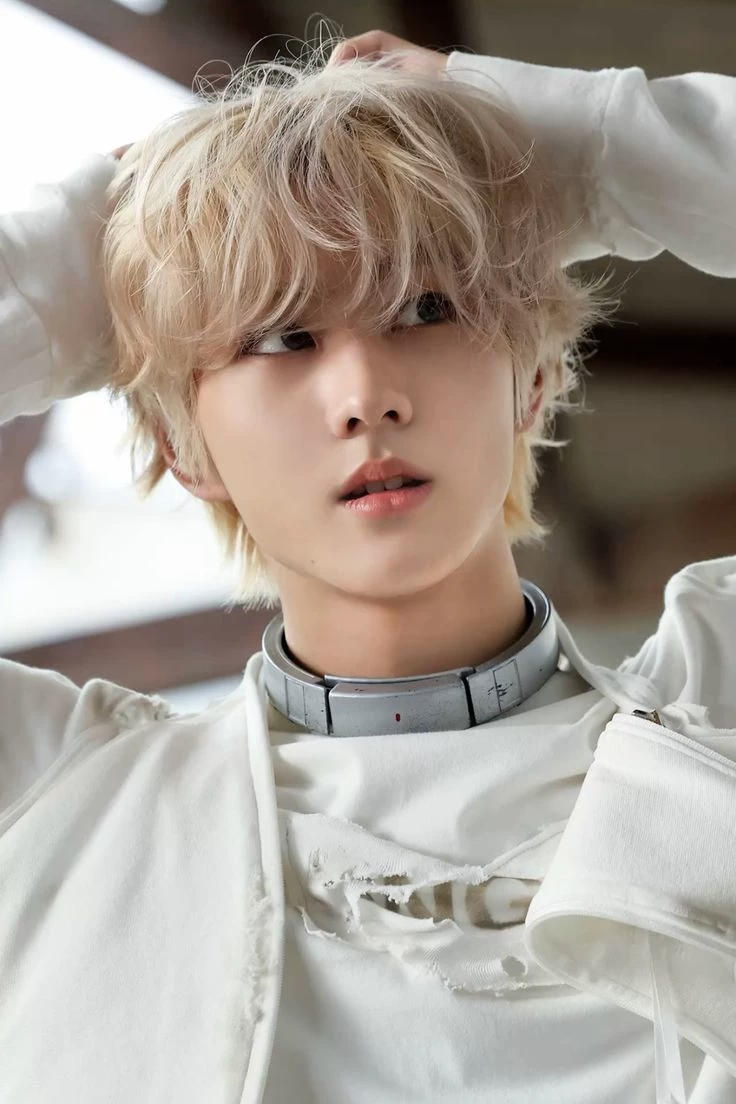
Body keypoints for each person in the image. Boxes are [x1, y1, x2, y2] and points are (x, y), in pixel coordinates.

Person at [0, 29, 734, 1104]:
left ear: (531, 376)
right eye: (280, 337)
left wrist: (588, 155)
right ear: (181, 447)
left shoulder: (720, 706)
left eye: (426, 308)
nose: (366, 398)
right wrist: (88, 265)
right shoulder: (56, 798)